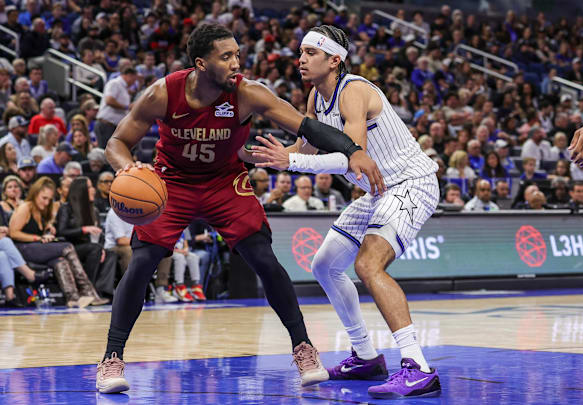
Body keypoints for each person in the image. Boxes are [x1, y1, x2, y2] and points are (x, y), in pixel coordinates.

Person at [97, 23, 379, 393]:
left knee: (264, 258)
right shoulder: (163, 93)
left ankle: (303, 347)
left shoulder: (248, 93)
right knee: (143, 262)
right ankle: (111, 359)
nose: (236, 63)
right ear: (200, 63)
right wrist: (127, 167)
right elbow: (117, 142)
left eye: (237, 54)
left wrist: (353, 150)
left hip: (223, 181)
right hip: (172, 182)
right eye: (226, 56)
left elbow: (307, 127)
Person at [250, 25, 441, 398]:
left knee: (368, 265)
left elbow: (354, 159)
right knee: (323, 265)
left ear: (334, 60)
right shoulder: (314, 98)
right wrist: (256, 157)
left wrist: (291, 164)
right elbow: (302, 150)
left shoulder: (353, 91)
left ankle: (418, 365)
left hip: (410, 183)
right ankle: (366, 356)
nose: (300, 59)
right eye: (300, 52)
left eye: (310, 53)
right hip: (376, 191)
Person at [9, 178, 104, 307]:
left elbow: (40, 233)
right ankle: (87, 290)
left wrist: (48, 231)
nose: (47, 202)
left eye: (49, 199)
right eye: (44, 198)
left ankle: (73, 298)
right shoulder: (25, 207)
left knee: (61, 261)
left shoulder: (41, 211)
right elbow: (13, 233)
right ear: (35, 193)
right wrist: (38, 238)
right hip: (22, 249)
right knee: (68, 247)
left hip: (36, 248)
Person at [56, 177, 112, 300]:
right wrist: (83, 230)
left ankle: (101, 291)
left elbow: (100, 234)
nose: (93, 190)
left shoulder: (94, 210)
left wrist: (102, 248)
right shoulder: (66, 208)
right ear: (80, 191)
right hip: (70, 248)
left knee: (110, 254)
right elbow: (61, 232)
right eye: (89, 187)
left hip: (88, 247)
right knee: (94, 249)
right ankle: (87, 291)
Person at [96, 68, 138, 148]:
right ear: (129, 76)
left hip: (113, 126)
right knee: (105, 154)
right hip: (106, 124)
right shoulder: (115, 83)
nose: (134, 83)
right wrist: (127, 107)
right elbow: (109, 100)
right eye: (134, 79)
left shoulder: (124, 88)